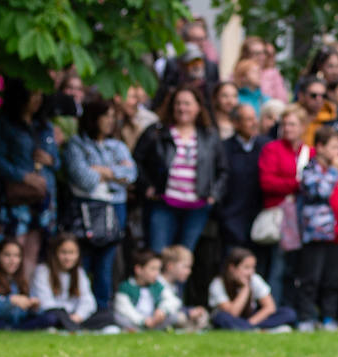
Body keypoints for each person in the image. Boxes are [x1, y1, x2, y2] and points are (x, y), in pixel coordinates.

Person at [135, 86, 227, 254]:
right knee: (158, 253)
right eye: (177, 103)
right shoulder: (157, 132)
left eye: (187, 103)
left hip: (197, 207)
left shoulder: (209, 135)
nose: (182, 108)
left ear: (198, 107)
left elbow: (223, 169)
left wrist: (214, 194)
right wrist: (147, 186)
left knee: (183, 258)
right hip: (163, 204)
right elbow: (137, 161)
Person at [62, 97, 135, 310]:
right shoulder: (77, 143)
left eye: (114, 117)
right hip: (85, 209)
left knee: (106, 263)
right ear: (94, 118)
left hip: (114, 208)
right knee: (82, 260)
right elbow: (82, 177)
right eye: (106, 116)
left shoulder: (118, 145)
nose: (111, 121)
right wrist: (114, 173)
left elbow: (131, 174)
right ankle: (77, 309)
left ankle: (102, 311)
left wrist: (100, 171)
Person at [0, 78, 59, 280]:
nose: (36, 99)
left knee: (33, 248)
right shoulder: (4, 124)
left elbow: (58, 162)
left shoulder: (45, 126)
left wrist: (50, 160)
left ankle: (26, 293)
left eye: (39, 95)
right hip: (15, 199)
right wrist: (22, 175)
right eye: (32, 94)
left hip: (43, 197)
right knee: (12, 247)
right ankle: (5, 294)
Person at [294, 127, 338, 331]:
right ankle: (306, 317)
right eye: (334, 147)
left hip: (336, 231)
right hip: (316, 232)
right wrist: (334, 170)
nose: (337, 152)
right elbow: (321, 191)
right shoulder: (310, 169)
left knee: (332, 278)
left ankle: (328, 317)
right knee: (311, 277)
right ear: (320, 147)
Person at [256, 104, 311, 303]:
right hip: (280, 215)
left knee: (297, 267)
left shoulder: (308, 153)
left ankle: (292, 310)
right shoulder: (272, 149)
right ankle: (274, 308)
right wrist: (297, 184)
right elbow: (267, 182)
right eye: (285, 124)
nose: (288, 128)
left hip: (302, 217)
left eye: (293, 124)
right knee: (277, 266)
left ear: (303, 127)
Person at [30, 233, 118, 331]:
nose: (68, 258)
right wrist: (66, 317)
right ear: (55, 253)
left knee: (107, 316)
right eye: (64, 252)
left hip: (73, 316)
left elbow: (88, 301)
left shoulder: (79, 273)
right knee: (52, 318)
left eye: (72, 253)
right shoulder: (43, 271)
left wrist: (77, 316)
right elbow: (46, 303)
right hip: (53, 315)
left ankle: (68, 326)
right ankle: (69, 327)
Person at [208, 247, 297, 331]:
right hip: (230, 319)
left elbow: (270, 307)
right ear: (232, 268)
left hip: (250, 318)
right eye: (246, 268)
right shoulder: (218, 284)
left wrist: (250, 323)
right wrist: (245, 288)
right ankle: (256, 329)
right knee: (221, 318)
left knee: (288, 313)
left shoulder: (254, 278)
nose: (251, 272)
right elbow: (233, 313)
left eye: (253, 267)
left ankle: (247, 328)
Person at [219, 104, 268, 254]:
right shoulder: (224, 148)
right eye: (248, 119)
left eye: (255, 118)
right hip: (232, 218)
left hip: (259, 218)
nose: (254, 123)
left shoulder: (266, 146)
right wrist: (223, 213)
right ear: (236, 123)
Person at [0, 238, 62, 330]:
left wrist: (32, 306)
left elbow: (24, 314)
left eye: (17, 256)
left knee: (51, 317)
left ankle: (10, 329)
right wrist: (10, 301)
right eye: (7, 255)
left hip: (17, 324)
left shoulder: (20, 279)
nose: (13, 260)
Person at [114, 248, 177, 331]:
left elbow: (173, 300)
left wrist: (162, 310)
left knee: (173, 316)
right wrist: (142, 321)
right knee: (118, 317)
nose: (157, 273)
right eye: (153, 269)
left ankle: (150, 328)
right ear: (138, 269)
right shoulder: (126, 287)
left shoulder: (157, 285)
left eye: (158, 269)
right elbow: (125, 308)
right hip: (136, 321)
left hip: (154, 319)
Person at [158, 245, 209, 329]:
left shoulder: (175, 286)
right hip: (163, 318)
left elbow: (179, 307)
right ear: (170, 266)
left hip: (178, 315)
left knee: (203, 314)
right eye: (186, 267)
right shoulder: (158, 283)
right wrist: (188, 312)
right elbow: (168, 308)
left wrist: (192, 311)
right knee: (180, 318)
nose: (189, 271)